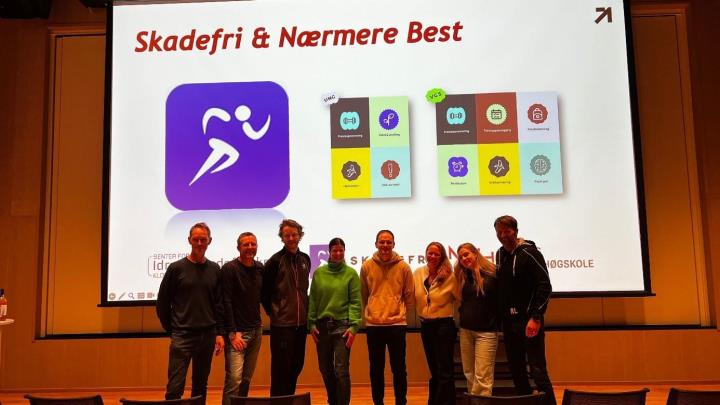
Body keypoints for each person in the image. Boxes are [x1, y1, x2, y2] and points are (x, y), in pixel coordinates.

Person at [156, 222, 224, 405]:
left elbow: (218, 305)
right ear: (189, 240)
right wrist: (172, 330)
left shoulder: (215, 269)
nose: (199, 243)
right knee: (174, 387)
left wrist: (219, 333)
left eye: (203, 239)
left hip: (207, 336)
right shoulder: (176, 268)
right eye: (196, 239)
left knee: (200, 386)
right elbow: (162, 303)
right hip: (182, 336)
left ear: (210, 241)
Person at [494, 215, 556, 405]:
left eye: (507, 231)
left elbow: (545, 286)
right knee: (517, 370)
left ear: (516, 231)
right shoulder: (500, 254)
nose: (503, 235)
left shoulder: (530, 253)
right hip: (509, 323)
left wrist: (535, 317)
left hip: (529, 321)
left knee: (538, 370)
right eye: (499, 232)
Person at [360, 229, 414, 405]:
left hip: (397, 325)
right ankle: (378, 402)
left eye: (388, 242)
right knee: (376, 369)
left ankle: (401, 402)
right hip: (374, 325)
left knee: (399, 369)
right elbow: (364, 294)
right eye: (382, 242)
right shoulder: (366, 266)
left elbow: (409, 295)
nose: (385, 245)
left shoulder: (404, 267)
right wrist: (373, 310)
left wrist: (399, 312)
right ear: (376, 244)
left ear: (393, 244)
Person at [308, 237, 362, 405]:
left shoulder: (351, 274)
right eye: (334, 250)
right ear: (329, 252)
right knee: (325, 369)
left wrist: (354, 327)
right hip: (322, 327)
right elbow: (313, 300)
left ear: (344, 252)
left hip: (342, 327)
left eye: (341, 250)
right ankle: (333, 401)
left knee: (341, 370)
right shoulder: (319, 273)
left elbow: (355, 302)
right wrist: (311, 323)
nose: (338, 253)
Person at [261, 219, 312, 396]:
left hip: (301, 324)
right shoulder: (275, 261)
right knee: (281, 370)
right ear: (282, 237)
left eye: (294, 235)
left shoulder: (305, 259)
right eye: (287, 235)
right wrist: (276, 313)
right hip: (282, 326)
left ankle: (288, 399)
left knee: (296, 366)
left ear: (300, 235)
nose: (291, 238)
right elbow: (264, 293)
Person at [413, 242, 460, 405]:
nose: (432, 256)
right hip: (426, 326)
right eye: (430, 253)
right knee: (434, 369)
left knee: (444, 370)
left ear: (442, 257)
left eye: (436, 254)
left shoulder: (450, 276)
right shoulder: (418, 273)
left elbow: (461, 298)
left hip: (444, 326)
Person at [220, 232, 264, 405]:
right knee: (234, 380)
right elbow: (226, 302)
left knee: (246, 379)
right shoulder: (229, 269)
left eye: (253, 244)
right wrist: (232, 333)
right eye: (246, 244)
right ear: (238, 247)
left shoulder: (260, 268)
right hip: (237, 334)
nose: (250, 247)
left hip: (256, 331)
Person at [454, 242, 499, 397]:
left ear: (475, 253)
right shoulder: (463, 276)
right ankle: (474, 401)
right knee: (469, 373)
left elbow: (500, 302)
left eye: (466, 254)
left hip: (486, 333)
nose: (464, 259)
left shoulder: (492, 275)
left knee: (483, 376)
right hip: (466, 330)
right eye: (460, 257)